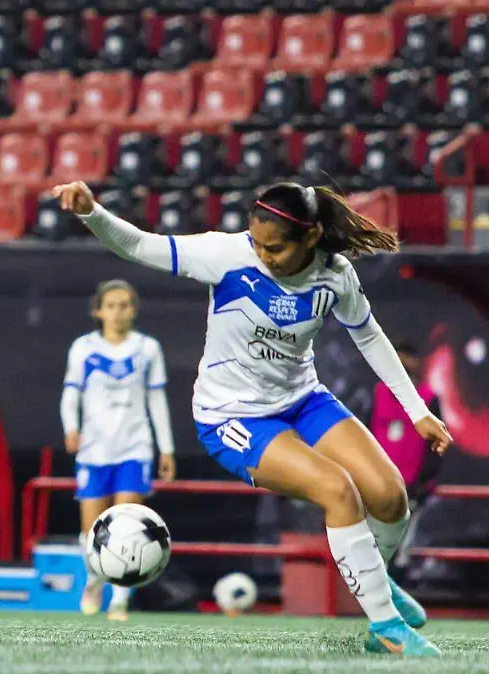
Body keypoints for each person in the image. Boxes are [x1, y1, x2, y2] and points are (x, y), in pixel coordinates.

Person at [53, 180, 452, 657]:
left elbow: (368, 336)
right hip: (232, 417)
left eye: (275, 248)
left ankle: (378, 585)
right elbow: (139, 245)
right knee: (337, 490)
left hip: (304, 400)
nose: (263, 255)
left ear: (310, 237)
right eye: (257, 243)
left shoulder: (334, 275)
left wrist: (417, 411)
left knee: (389, 496)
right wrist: (91, 212)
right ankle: (385, 626)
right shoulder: (225, 254)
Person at [62, 279, 176, 621]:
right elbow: (71, 392)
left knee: (129, 524)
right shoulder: (83, 348)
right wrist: (71, 427)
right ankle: (94, 579)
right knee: (91, 529)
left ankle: (120, 600)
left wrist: (166, 448)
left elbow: (157, 399)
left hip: (134, 447)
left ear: (134, 310)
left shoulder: (147, 349)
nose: (118, 312)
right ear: (98, 311)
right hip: (94, 449)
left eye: (124, 305)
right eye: (111, 305)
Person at [369, 340, 443, 573]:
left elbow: (437, 447)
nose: (401, 363)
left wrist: (420, 485)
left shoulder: (428, 398)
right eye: (396, 357)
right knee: (374, 551)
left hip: (411, 490)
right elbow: (363, 436)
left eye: (406, 358)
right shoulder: (378, 394)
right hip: (377, 488)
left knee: (400, 552)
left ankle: (398, 592)